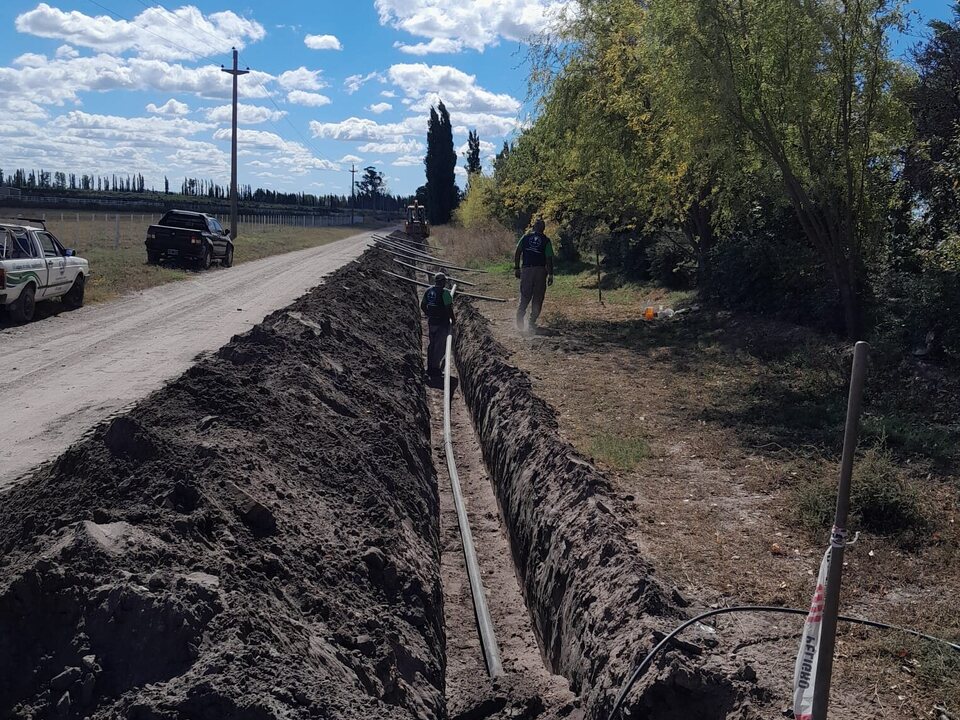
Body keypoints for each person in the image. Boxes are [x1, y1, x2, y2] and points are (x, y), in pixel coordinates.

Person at [514, 218, 554, 332]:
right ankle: (532, 322)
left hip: (527, 270)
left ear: (533, 227)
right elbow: (549, 259)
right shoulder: (546, 241)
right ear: (544, 229)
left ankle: (520, 317)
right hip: (540, 272)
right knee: (538, 298)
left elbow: (517, 252)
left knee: (525, 295)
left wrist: (517, 268)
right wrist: (550, 274)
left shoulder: (525, 238)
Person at [420, 272, 455, 377]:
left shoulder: (428, 291)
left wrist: (428, 314)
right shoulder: (445, 293)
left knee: (432, 344)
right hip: (442, 323)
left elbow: (422, 305)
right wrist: (453, 320)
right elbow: (449, 309)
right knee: (440, 346)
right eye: (444, 281)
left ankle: (430, 366)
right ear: (442, 282)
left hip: (432, 322)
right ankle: (435, 369)